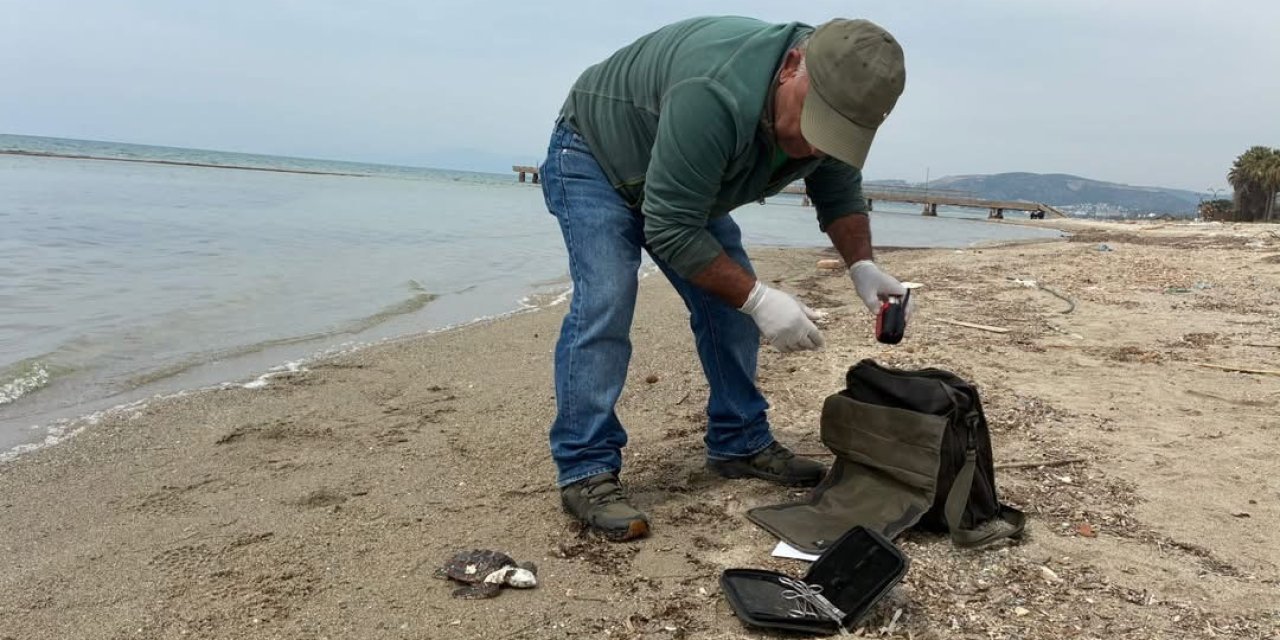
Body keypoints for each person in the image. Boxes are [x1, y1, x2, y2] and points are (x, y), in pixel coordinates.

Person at [539, 16, 910, 541]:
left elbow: (839, 193)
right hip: (596, 155)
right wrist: (759, 299)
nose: (812, 146)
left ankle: (739, 441)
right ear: (790, 66)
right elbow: (669, 228)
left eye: (834, 135)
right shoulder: (713, 92)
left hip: (686, 180)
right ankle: (585, 468)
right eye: (814, 122)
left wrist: (862, 266)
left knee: (732, 310)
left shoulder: (838, 104)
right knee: (607, 300)